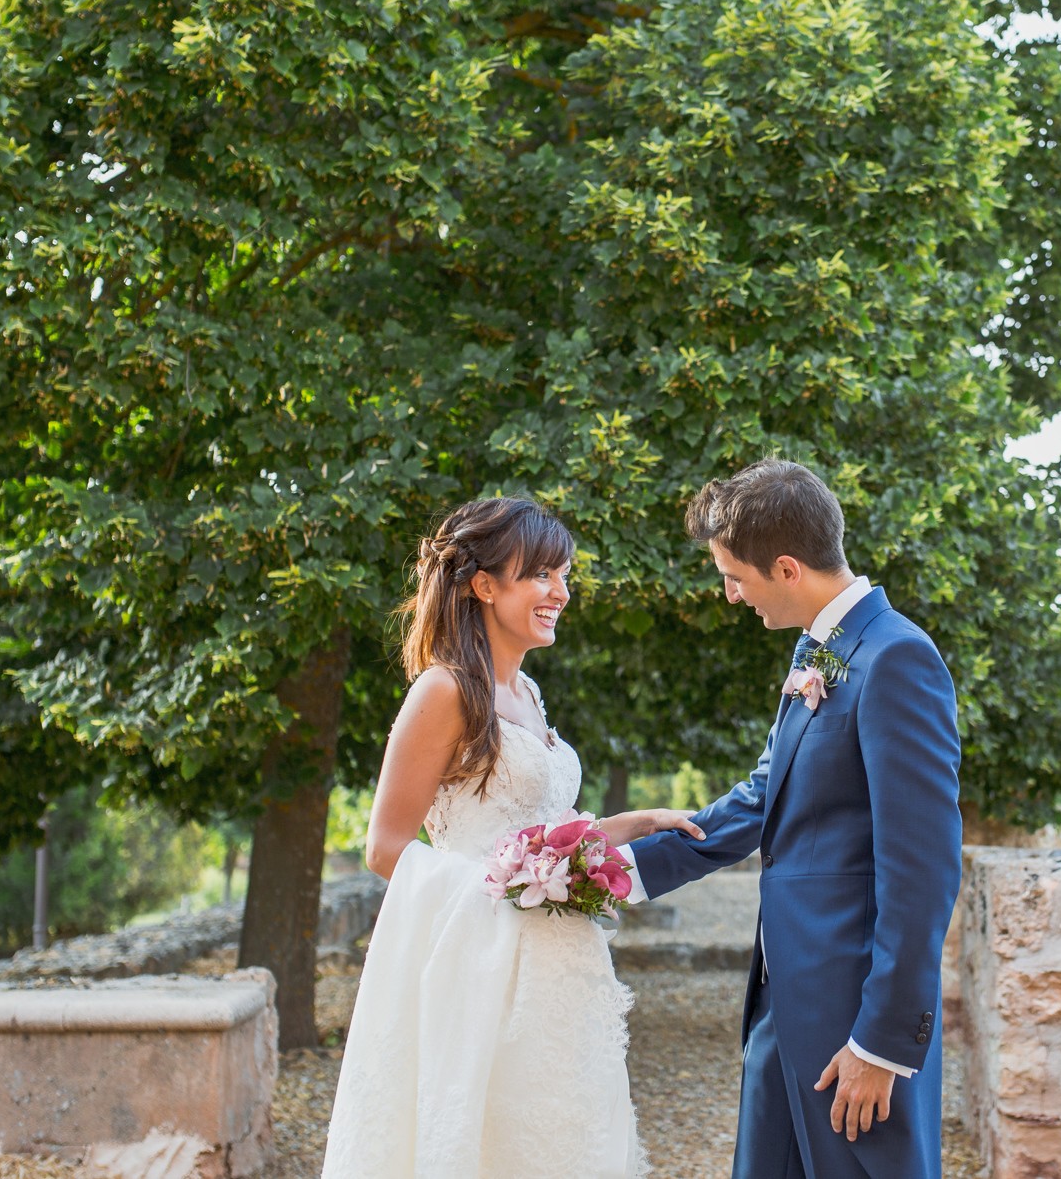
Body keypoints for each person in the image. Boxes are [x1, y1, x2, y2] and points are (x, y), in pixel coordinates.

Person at [321, 497, 701, 1179]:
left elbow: (535, 835)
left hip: (562, 967)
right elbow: (385, 846)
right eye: (542, 575)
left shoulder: (525, 691)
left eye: (565, 575)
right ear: (484, 584)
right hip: (482, 968)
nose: (561, 592)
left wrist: (628, 826)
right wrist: (513, 881)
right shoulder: (443, 691)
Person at [620, 459, 964, 1179]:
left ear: (785, 566)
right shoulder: (823, 649)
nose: (729, 594)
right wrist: (611, 873)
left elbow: (923, 871)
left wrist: (883, 1042)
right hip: (783, 1010)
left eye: (733, 576)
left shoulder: (897, 657)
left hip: (853, 1022)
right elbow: (762, 796)